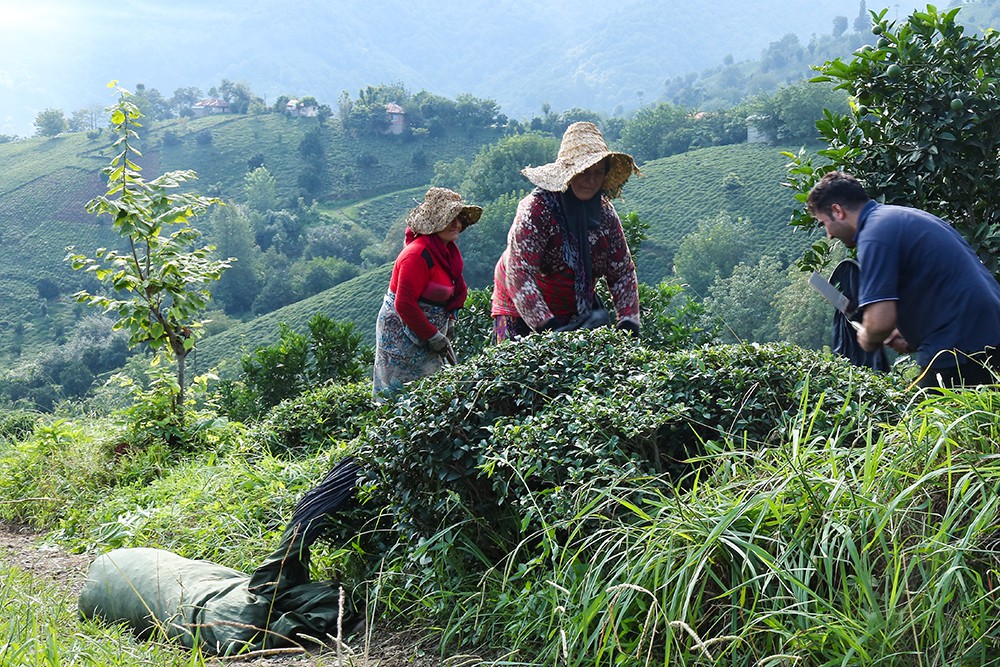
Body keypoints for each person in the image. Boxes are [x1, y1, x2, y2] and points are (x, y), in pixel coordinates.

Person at [806, 171, 1000, 388]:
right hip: (988, 331)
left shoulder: (874, 235)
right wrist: (911, 334)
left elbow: (880, 322)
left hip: (959, 344)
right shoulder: (897, 217)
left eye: (824, 224)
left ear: (837, 211)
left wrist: (867, 337)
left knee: (913, 409)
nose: (829, 235)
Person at [491, 121, 641, 342]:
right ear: (568, 174)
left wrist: (629, 322)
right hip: (518, 305)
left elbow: (622, 272)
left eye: (598, 173)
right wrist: (548, 328)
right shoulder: (538, 209)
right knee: (516, 360)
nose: (591, 181)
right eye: (584, 172)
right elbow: (519, 272)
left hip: (573, 305)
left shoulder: (605, 214)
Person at [373, 187, 481, 396]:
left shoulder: (448, 253)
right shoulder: (416, 255)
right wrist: (432, 335)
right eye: (450, 218)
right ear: (434, 223)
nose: (457, 224)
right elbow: (404, 304)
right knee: (403, 394)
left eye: (458, 218)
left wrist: (449, 321)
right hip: (403, 335)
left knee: (433, 391)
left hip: (428, 331)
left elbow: (452, 291)